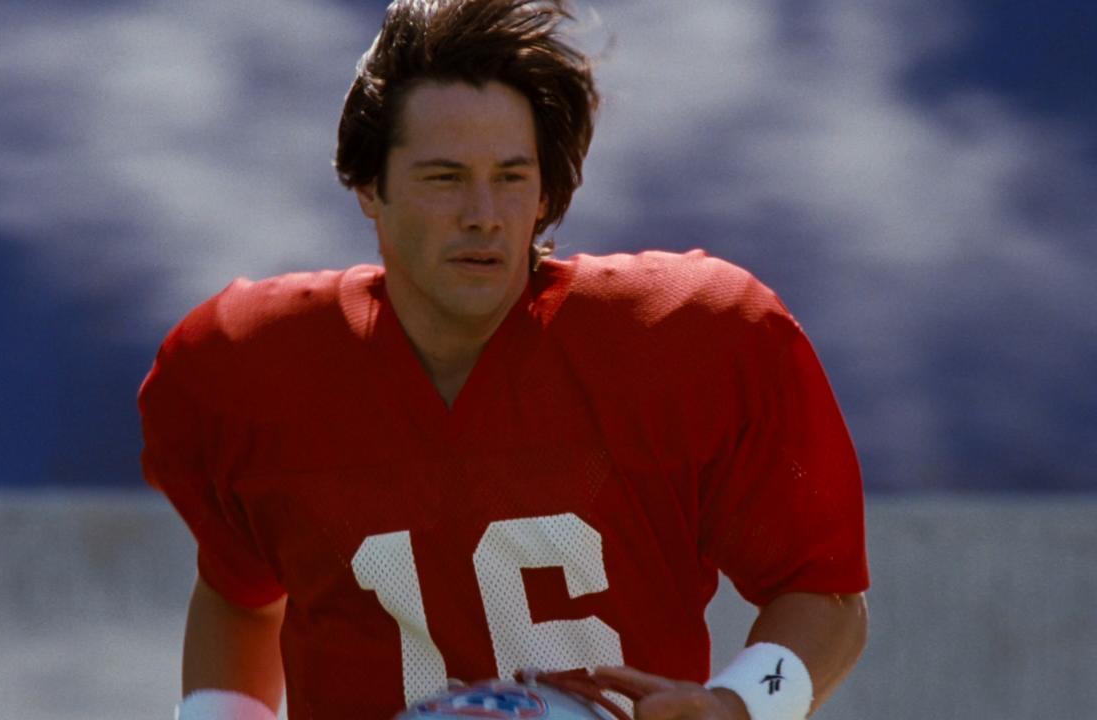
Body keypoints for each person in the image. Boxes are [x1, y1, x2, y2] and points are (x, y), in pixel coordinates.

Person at [138, 1, 870, 719]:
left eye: (512, 177)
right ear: (369, 186)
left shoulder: (678, 344)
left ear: (546, 190)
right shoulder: (267, 371)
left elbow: (824, 594)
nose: (483, 214)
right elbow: (240, 595)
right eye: (445, 178)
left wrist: (739, 705)